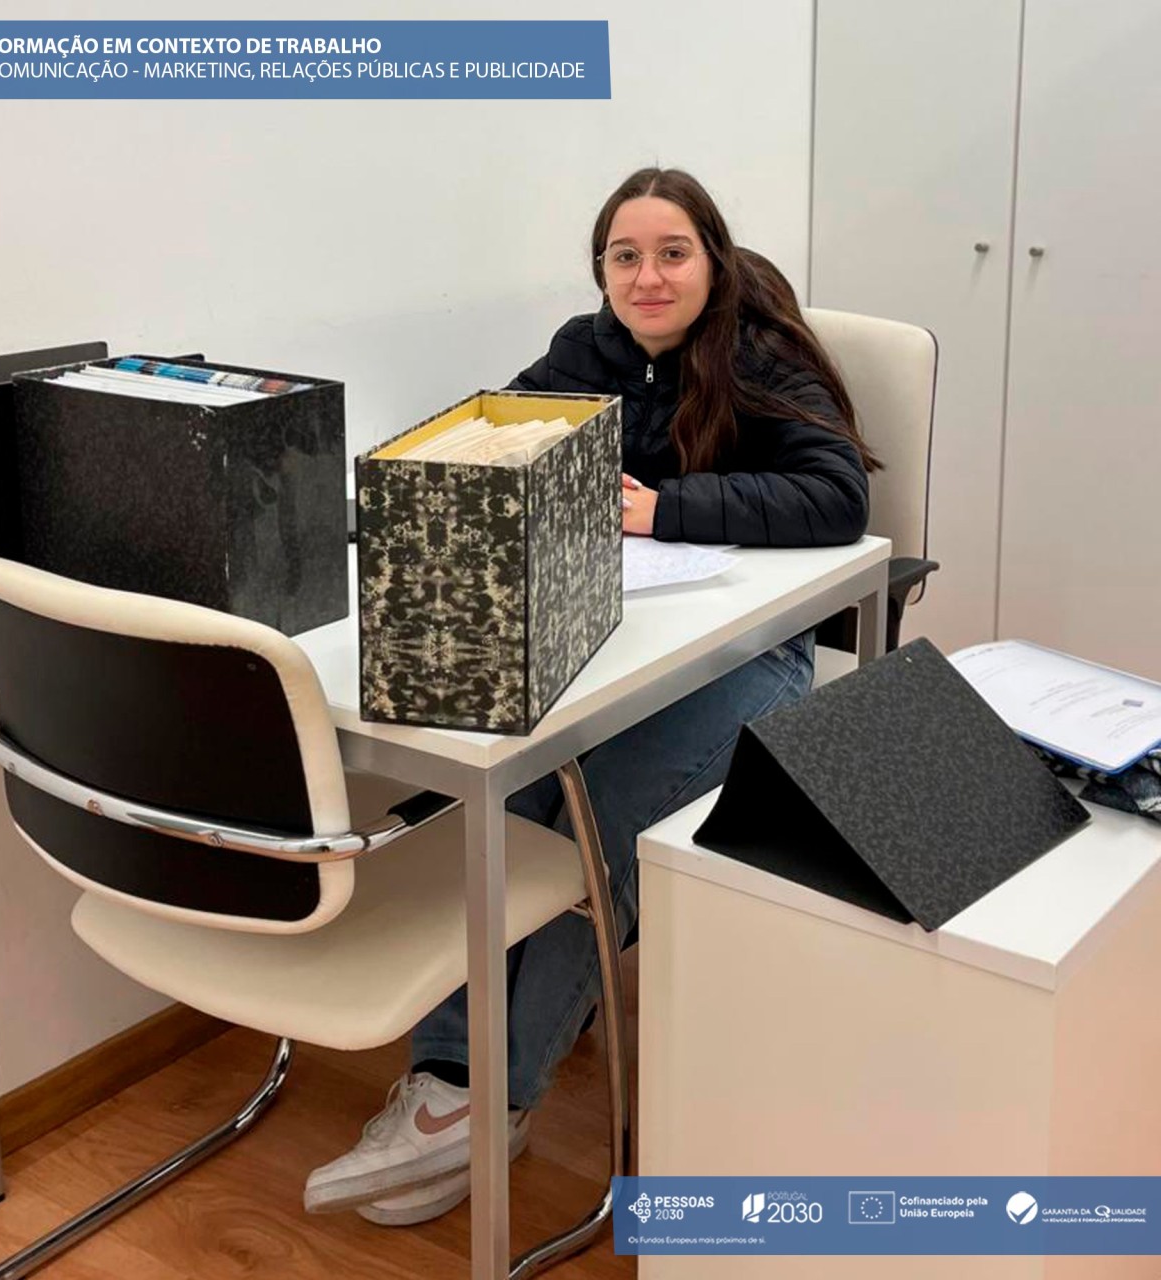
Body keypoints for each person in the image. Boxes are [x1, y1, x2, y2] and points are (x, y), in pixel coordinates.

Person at [304, 167, 877, 1226]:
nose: (648, 276)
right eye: (625, 256)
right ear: (601, 270)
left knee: (594, 825)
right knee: (502, 803)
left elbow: (838, 496)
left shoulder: (759, 354)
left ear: (712, 260)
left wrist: (666, 508)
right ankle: (444, 1072)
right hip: (614, 645)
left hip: (750, 654)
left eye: (672, 253)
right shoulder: (588, 350)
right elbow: (505, 440)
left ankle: (492, 1101)